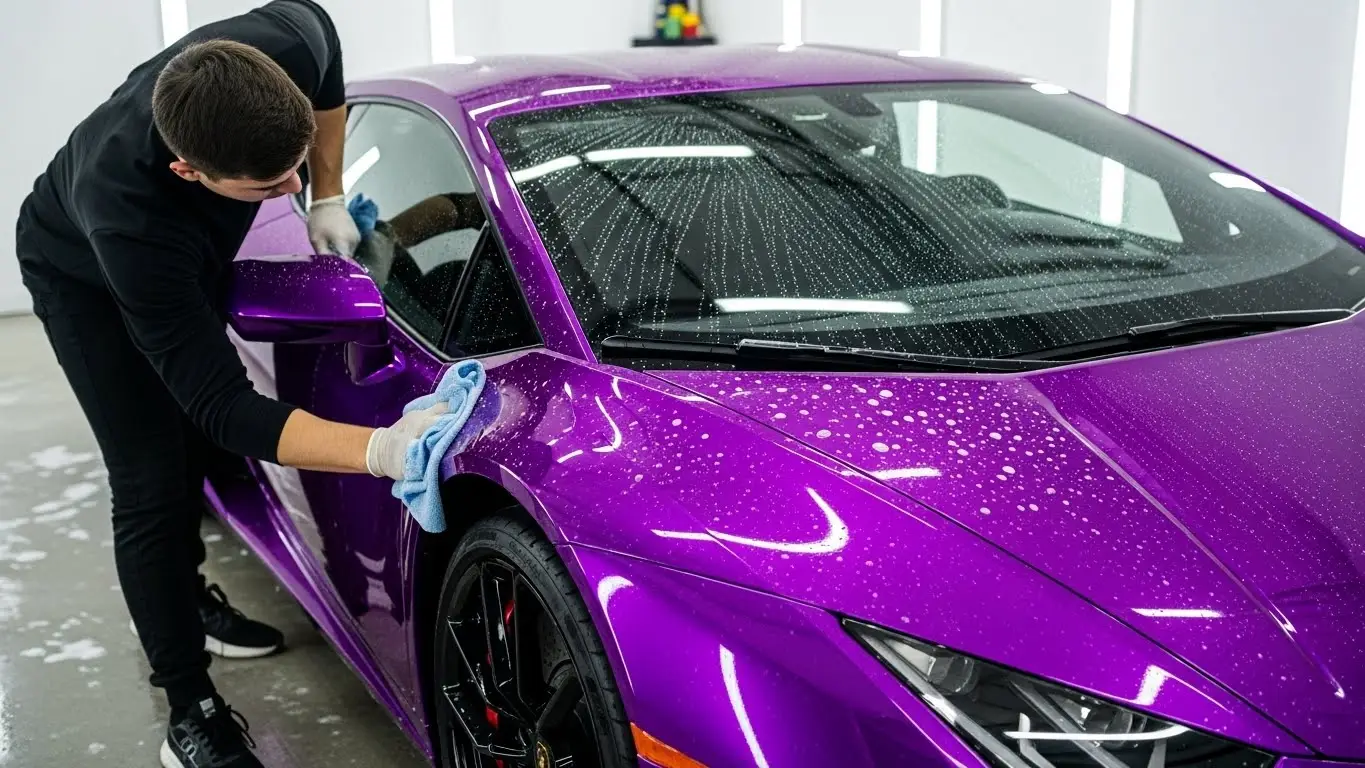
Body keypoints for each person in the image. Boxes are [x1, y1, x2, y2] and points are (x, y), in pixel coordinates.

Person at [11, 2, 446, 766]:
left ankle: (186, 596)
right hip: (78, 275)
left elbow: (325, 52)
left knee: (185, 439)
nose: (286, 188)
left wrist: (326, 192)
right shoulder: (132, 222)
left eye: (294, 165)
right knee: (151, 476)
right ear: (190, 171)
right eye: (267, 185)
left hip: (180, 242)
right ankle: (190, 710)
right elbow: (224, 408)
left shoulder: (285, 39)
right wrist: (382, 450)